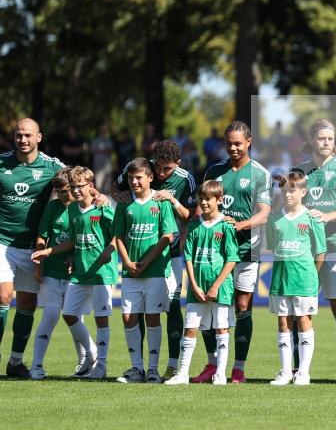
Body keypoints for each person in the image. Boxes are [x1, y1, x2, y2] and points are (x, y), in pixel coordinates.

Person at [0, 118, 66, 379]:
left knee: (27, 303)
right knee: (3, 296)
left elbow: (77, 181)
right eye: (18, 135)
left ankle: (16, 362)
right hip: (0, 241)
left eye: (28, 135)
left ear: (39, 137)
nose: (22, 140)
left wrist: (98, 196)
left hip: (33, 246)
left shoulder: (52, 166)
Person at [192, 121, 271, 384]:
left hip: (247, 249)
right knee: (209, 303)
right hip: (213, 251)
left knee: (242, 305)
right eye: (229, 143)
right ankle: (213, 363)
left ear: (249, 142)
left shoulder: (260, 173)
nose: (233, 148)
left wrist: (239, 225)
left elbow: (264, 213)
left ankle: (238, 367)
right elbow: (202, 205)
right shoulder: (214, 171)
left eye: (238, 143)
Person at [111, 140, 196, 380]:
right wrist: (123, 196)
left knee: (171, 304)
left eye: (166, 169)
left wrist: (173, 200)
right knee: (134, 310)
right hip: (138, 253)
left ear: (177, 165)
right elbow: (114, 188)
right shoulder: (138, 168)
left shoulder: (185, 179)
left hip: (173, 251)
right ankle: (138, 366)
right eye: (157, 166)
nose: (160, 173)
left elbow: (190, 217)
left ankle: (170, 364)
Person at [32, 166, 118, 380]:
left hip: (101, 273)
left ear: (90, 186)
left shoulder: (103, 207)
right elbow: (74, 240)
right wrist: (49, 251)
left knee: (101, 319)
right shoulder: (72, 210)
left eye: (80, 186)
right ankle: (92, 354)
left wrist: (111, 249)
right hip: (79, 272)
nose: (76, 190)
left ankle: (101, 366)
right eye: (73, 187)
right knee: (69, 314)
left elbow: (119, 232)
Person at [293, 119, 336, 382]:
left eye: (330, 139)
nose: (326, 143)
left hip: (335, 248)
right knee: (300, 310)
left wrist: (327, 217)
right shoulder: (298, 170)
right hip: (303, 251)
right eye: (321, 138)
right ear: (312, 139)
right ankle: (297, 369)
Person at [165, 181, 239, 386]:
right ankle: (182, 374)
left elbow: (231, 258)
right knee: (190, 328)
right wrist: (194, 285)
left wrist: (215, 285)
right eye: (201, 199)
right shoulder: (194, 225)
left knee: (221, 329)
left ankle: (220, 374)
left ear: (219, 200)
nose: (204, 203)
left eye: (208, 199)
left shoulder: (226, 226)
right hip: (196, 287)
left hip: (220, 287)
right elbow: (187, 256)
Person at [113, 158, 177, 384]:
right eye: (130, 178)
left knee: (152, 319)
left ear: (150, 178)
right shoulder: (123, 203)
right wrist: (128, 263)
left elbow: (167, 236)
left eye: (139, 177)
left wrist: (147, 261)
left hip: (156, 272)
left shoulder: (161, 202)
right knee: (128, 317)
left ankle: (152, 370)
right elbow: (119, 236)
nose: (134, 182)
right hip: (131, 272)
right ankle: (136, 369)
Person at [266, 171, 326, 386]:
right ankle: (284, 371)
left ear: (303, 192)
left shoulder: (312, 217)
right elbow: (274, 247)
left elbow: (320, 251)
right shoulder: (274, 218)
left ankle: (303, 372)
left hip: (304, 279)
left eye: (292, 190)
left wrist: (313, 274)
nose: (287, 194)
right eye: (284, 190)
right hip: (281, 278)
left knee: (303, 321)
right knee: (283, 323)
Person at [29, 169, 90, 379]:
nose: (64, 195)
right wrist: (38, 261)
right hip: (52, 272)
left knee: (75, 317)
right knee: (51, 315)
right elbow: (42, 236)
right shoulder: (53, 208)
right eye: (59, 192)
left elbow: (83, 239)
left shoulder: (82, 208)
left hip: (76, 274)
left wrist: (74, 256)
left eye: (66, 190)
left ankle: (85, 362)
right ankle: (36, 366)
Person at [90, 124, 114, 190]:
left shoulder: (109, 140)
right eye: (103, 130)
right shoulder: (95, 140)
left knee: (107, 185)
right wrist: (104, 150)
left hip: (107, 166)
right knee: (98, 185)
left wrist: (100, 150)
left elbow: (111, 150)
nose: (104, 132)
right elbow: (92, 150)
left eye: (105, 130)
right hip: (98, 166)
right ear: (100, 131)